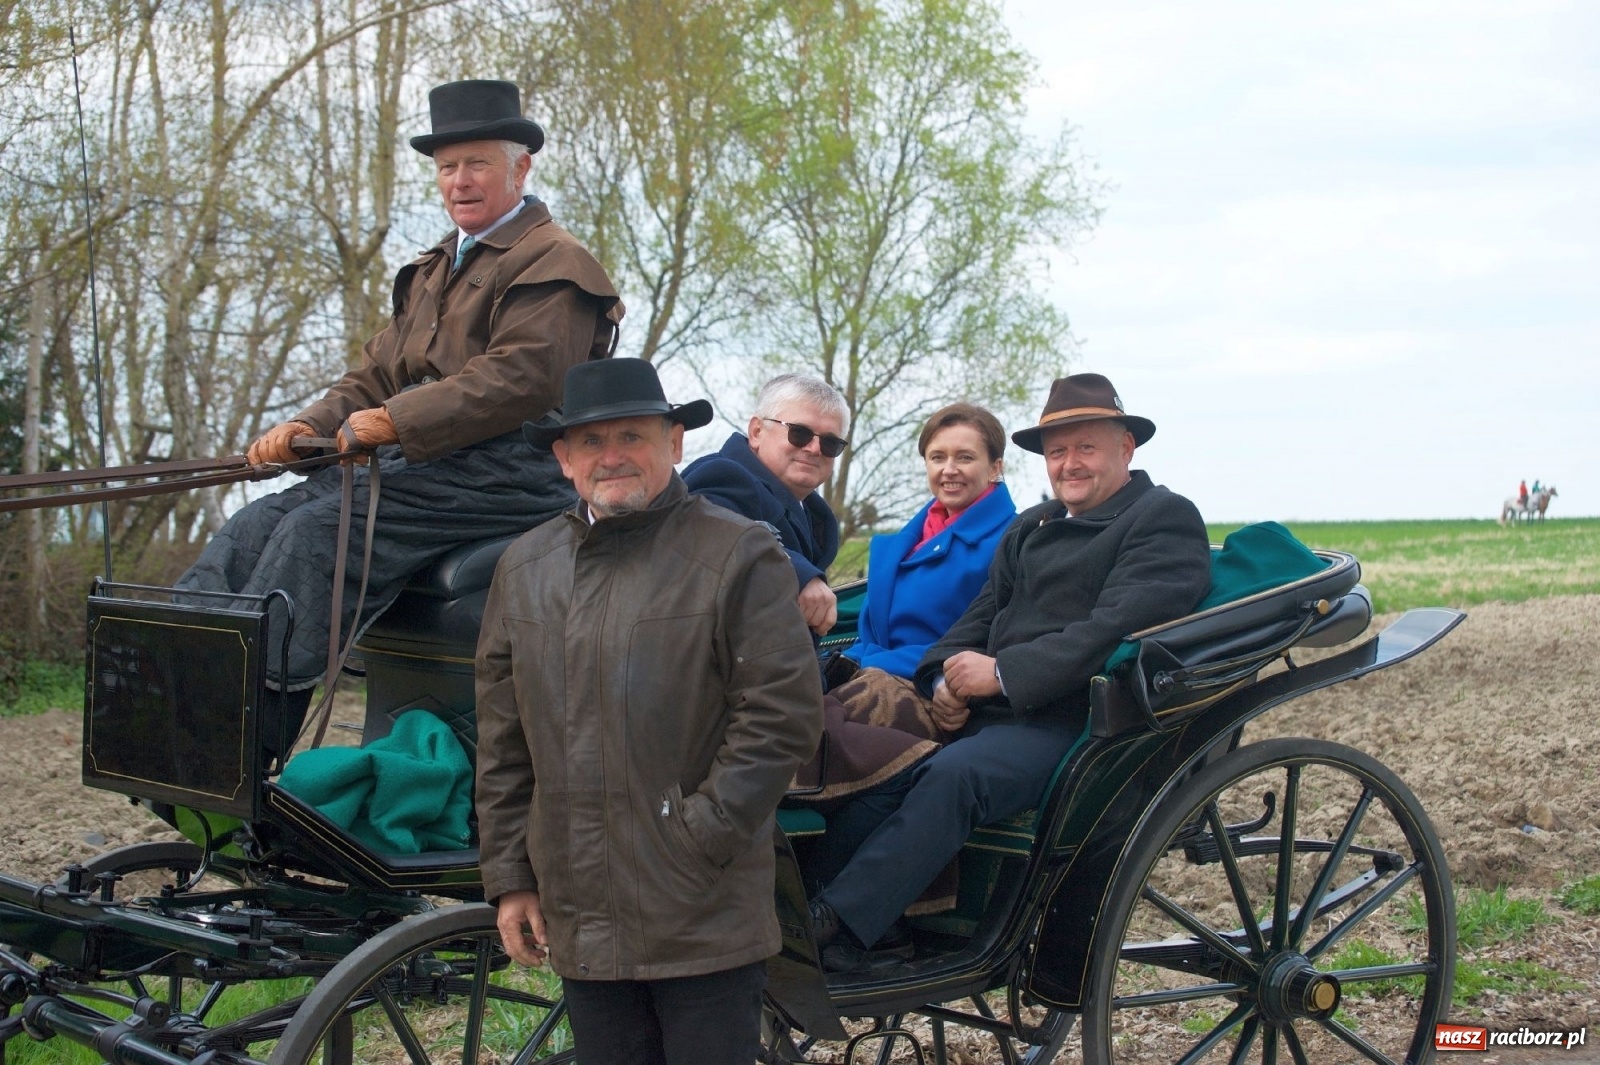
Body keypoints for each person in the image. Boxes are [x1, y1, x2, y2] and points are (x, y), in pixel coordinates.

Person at [176, 79, 623, 714]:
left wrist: (395, 420)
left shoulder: (555, 262)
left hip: (511, 473)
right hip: (430, 462)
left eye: (477, 164)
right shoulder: (438, 266)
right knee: (253, 526)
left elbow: (523, 378)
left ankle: (242, 726)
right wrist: (304, 427)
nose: (459, 180)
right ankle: (180, 685)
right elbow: (374, 376)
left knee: (313, 532)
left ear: (520, 167)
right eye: (447, 167)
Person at [475, 359, 823, 1064]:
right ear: (564, 458)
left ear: (674, 442)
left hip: (701, 911)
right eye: (593, 442)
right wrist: (511, 877)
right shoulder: (524, 568)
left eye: (632, 436)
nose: (613, 457)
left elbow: (781, 714)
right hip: (578, 909)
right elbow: (504, 738)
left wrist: (697, 834)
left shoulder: (738, 553)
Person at [807, 372, 1212, 970]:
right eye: (1057, 452)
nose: (1069, 463)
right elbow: (974, 620)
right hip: (990, 720)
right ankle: (831, 919)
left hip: (1080, 724)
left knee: (954, 777)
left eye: (1086, 448)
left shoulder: (1161, 518)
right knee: (882, 769)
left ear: (1126, 449)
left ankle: (834, 925)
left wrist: (1000, 675)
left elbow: (1108, 630)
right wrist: (944, 679)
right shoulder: (1032, 526)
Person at [681, 374, 847, 636]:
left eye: (830, 442)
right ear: (757, 431)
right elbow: (706, 532)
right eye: (799, 433)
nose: (815, 449)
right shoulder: (721, 475)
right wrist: (797, 573)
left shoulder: (815, 517)